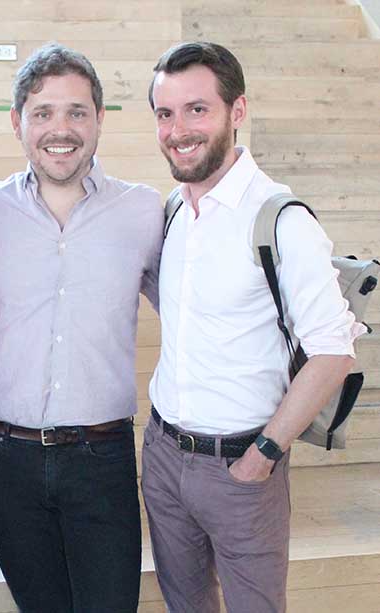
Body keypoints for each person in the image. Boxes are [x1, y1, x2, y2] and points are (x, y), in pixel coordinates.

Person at [143, 41, 364, 613]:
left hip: (242, 467)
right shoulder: (174, 210)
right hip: (163, 455)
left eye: (197, 109)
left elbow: (334, 350)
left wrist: (263, 453)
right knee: (185, 604)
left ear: (236, 110)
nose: (178, 130)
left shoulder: (281, 220)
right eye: (165, 113)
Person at [0, 43, 162, 612]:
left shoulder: (143, 211)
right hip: (5, 457)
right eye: (43, 112)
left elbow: (195, 307)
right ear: (17, 121)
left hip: (101, 456)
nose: (61, 129)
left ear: (99, 119)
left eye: (77, 112)